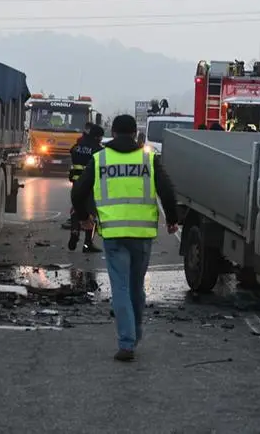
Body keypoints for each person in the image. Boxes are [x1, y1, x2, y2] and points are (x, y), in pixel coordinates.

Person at [71, 114, 178, 361]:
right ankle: (136, 334)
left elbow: (78, 192)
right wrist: (173, 219)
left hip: (114, 234)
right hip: (141, 235)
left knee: (119, 287)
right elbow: (167, 190)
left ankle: (127, 343)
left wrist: (84, 217)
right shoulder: (149, 158)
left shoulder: (100, 159)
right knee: (136, 286)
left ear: (114, 133)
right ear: (134, 134)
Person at [65, 123, 105, 252]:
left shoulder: (77, 146)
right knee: (91, 213)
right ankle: (88, 244)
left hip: (76, 183)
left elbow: (72, 152)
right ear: (97, 137)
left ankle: (75, 232)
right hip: (91, 185)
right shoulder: (97, 150)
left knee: (76, 208)